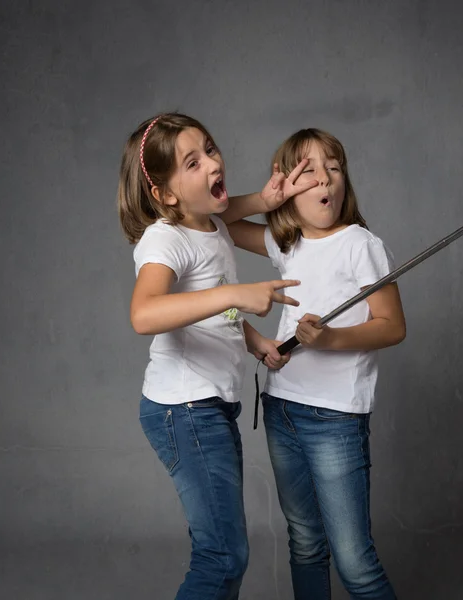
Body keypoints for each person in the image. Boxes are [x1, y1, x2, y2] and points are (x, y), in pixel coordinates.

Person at [116, 112, 317, 600]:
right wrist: (235, 296)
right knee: (223, 556)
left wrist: (256, 341)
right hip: (184, 409)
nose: (212, 162)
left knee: (222, 551)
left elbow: (209, 305)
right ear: (165, 194)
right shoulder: (166, 238)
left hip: (208, 407)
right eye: (192, 161)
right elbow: (145, 314)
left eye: (209, 148)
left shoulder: (206, 225)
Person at [227, 128, 406, 599]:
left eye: (334, 167)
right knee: (305, 543)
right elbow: (214, 218)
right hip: (282, 408)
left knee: (355, 562)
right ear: (288, 186)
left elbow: (392, 325)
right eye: (309, 173)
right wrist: (264, 198)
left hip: (335, 418)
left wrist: (331, 337)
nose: (326, 179)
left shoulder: (360, 244)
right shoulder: (285, 243)